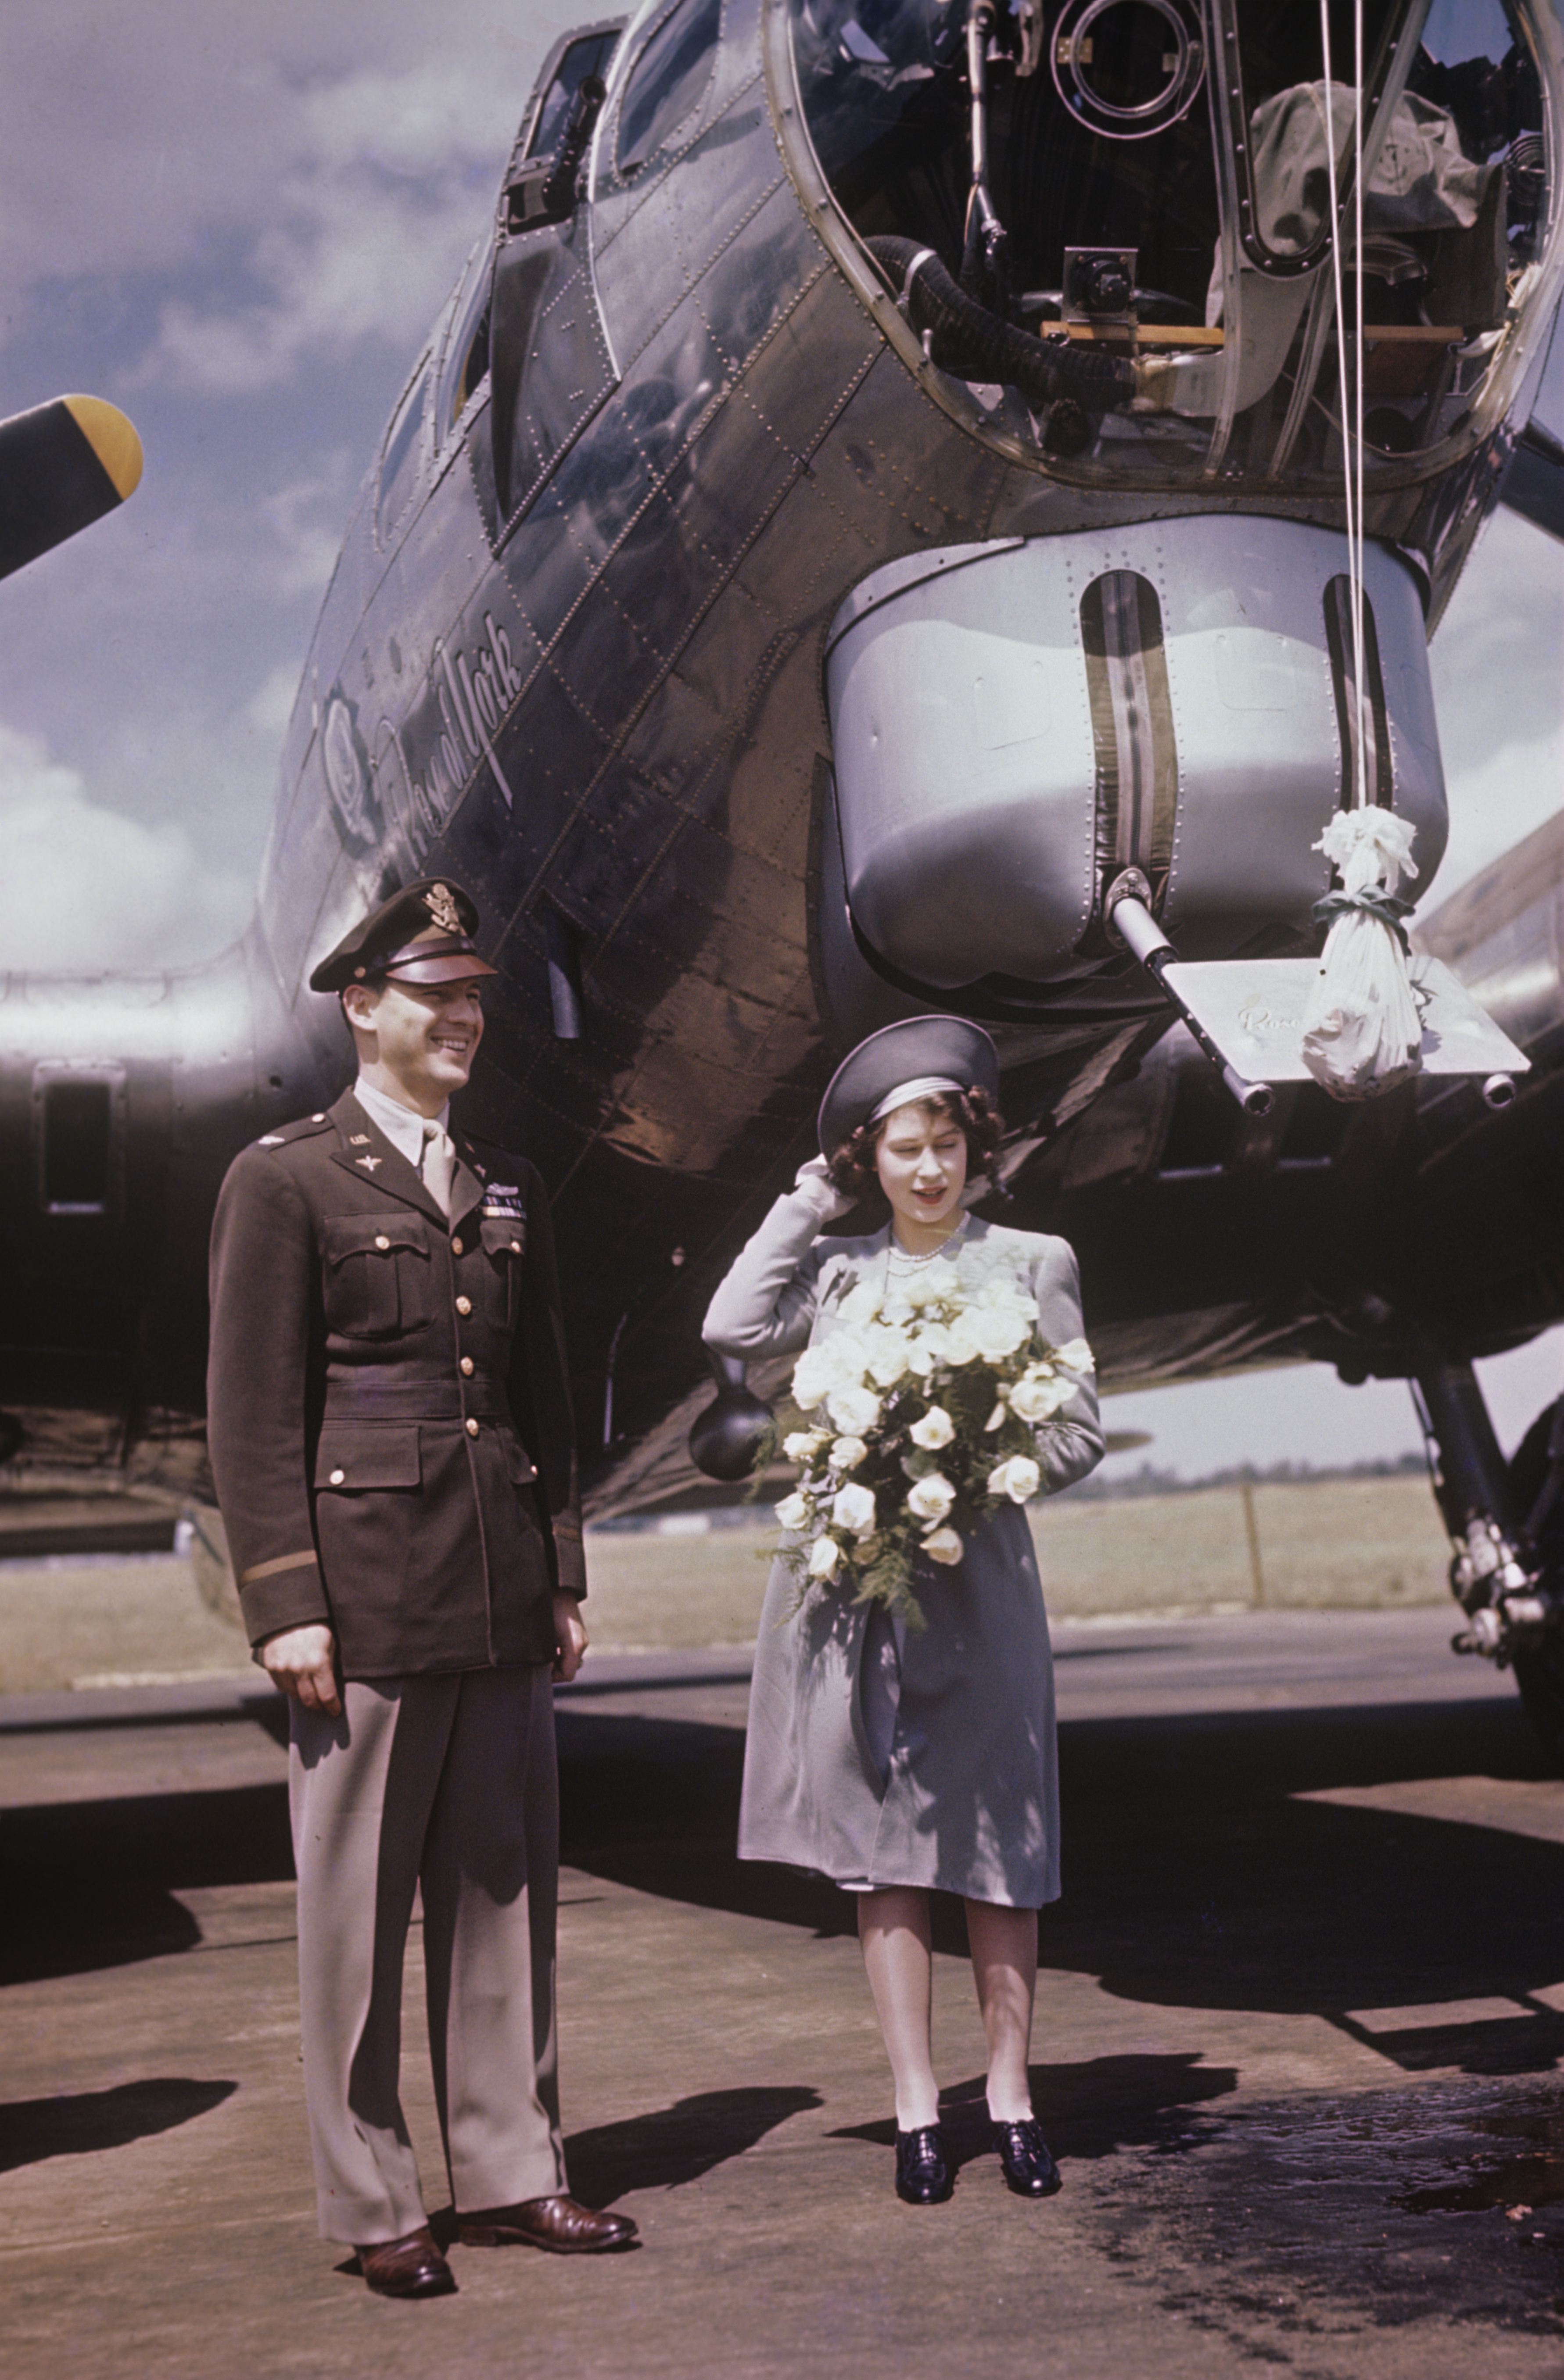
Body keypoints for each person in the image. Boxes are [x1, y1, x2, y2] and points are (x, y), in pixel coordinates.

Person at [206, 877, 636, 2297]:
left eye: (475, 996)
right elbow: (254, 1413)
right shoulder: (284, 1176)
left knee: (507, 1897)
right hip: (366, 1592)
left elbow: (541, 1397)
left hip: (500, 1583)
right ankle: (373, 2197)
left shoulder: (502, 1182)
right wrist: (286, 1600)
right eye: (436, 993)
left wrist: (560, 1571)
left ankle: (514, 2169)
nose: (465, 1016)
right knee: (351, 1913)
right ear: (360, 1004)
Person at [703, 1016, 1104, 2207]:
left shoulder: (1033, 1261)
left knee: (994, 1852)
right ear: (867, 1160)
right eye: (899, 1149)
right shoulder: (836, 1274)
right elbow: (729, 1328)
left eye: (944, 1144)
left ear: (973, 1146)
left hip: (975, 1580)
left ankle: (1014, 2095)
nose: (927, 1169)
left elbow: (1078, 1427)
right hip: (851, 1591)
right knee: (884, 1860)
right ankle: (918, 2109)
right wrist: (804, 1199)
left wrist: (974, 1453)